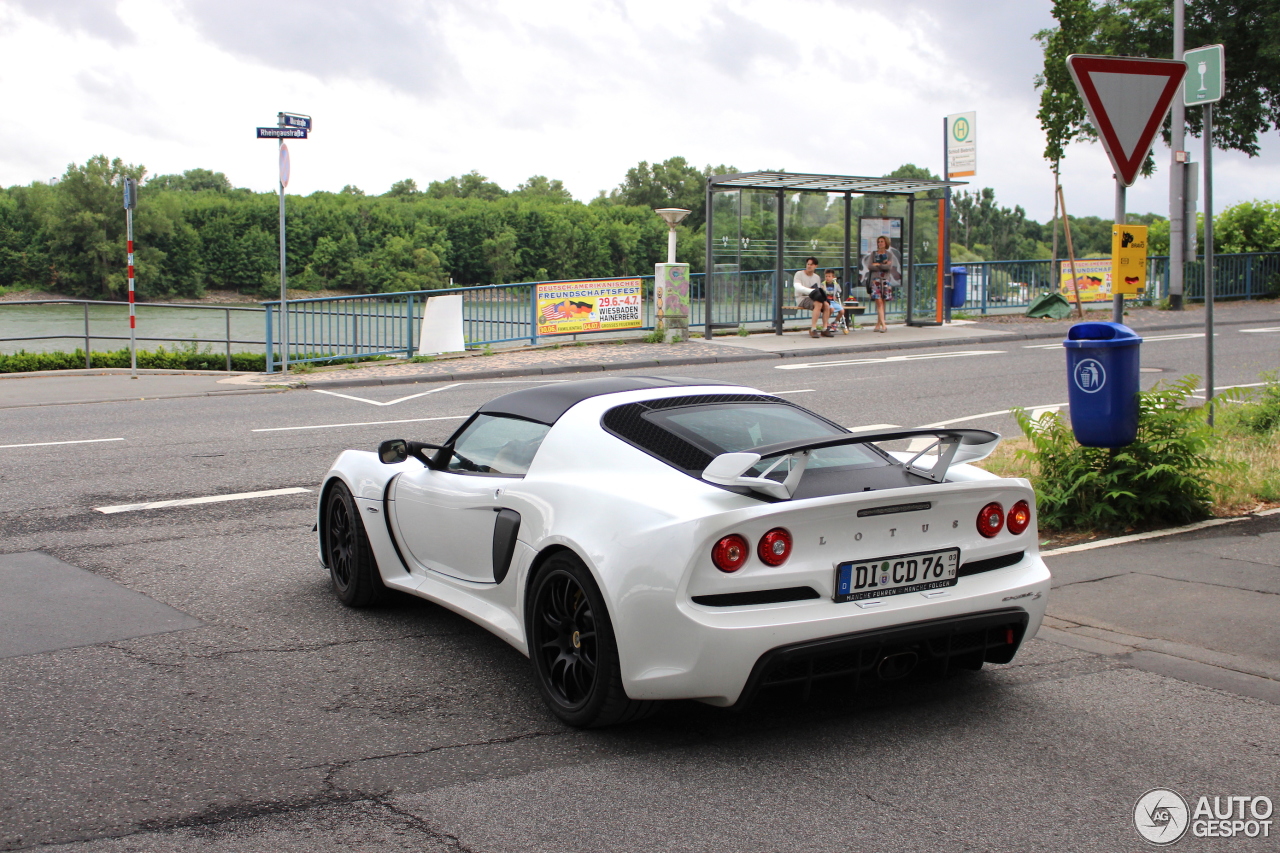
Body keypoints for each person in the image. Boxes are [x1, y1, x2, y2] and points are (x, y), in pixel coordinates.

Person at [861, 235, 901, 333]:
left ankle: (878, 324)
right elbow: (870, 266)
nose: (880, 243)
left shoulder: (889, 254)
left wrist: (878, 264)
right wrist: (882, 264)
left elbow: (888, 267)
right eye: (879, 241)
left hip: (885, 280)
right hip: (875, 281)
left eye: (882, 241)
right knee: (878, 302)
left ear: (886, 243)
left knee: (882, 302)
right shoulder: (873, 254)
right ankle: (884, 325)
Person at [793, 256, 833, 337]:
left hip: (814, 298)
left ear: (815, 266)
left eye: (811, 264)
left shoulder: (816, 277)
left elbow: (817, 291)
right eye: (808, 264)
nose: (809, 266)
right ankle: (813, 329)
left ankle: (824, 328)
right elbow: (797, 287)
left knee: (827, 305)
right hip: (802, 298)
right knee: (818, 304)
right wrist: (811, 291)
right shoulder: (799, 274)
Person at [822, 269, 849, 334]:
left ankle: (835, 322)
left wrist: (836, 296)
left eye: (829, 276)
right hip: (827, 301)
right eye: (826, 276)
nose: (827, 278)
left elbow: (839, 291)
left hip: (833, 301)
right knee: (831, 309)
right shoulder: (823, 284)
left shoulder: (835, 284)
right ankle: (826, 322)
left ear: (833, 277)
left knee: (842, 311)